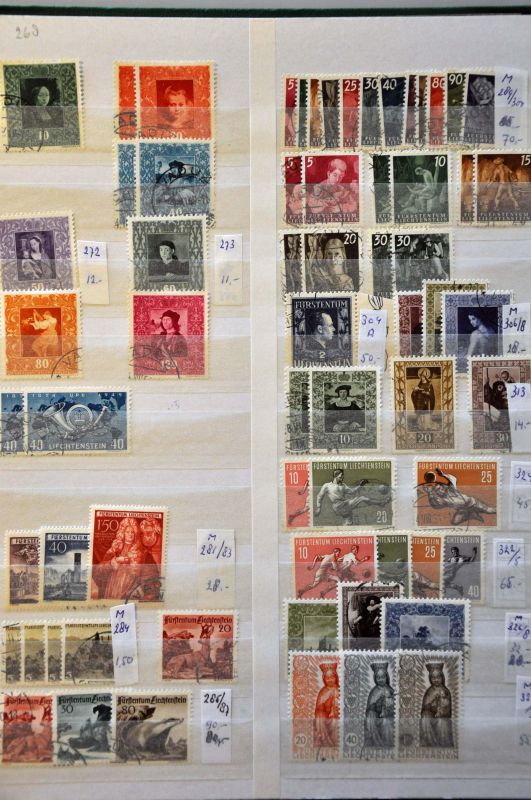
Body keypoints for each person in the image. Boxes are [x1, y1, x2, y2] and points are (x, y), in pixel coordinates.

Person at [419, 467, 496, 526]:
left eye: (440, 487)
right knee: (455, 522)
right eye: (437, 490)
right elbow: (435, 505)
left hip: (472, 503)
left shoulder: (451, 488)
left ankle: (473, 512)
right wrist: (430, 493)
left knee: (490, 510)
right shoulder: (443, 499)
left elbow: (453, 479)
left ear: (443, 486)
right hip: (462, 509)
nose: (439, 490)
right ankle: (471, 514)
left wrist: (443, 475)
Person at [315, 469, 385, 526]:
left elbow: (352, 491)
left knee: (348, 523)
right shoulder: (327, 485)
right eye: (341, 475)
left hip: (344, 505)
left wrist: (360, 485)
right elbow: (319, 496)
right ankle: (380, 503)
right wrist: (318, 508)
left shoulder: (343, 485)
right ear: (336, 475)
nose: (342, 477)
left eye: (343, 476)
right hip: (338, 506)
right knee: (362, 498)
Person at [419, 662, 454, 748]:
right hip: (431, 714)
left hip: (442, 715)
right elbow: (424, 707)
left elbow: (446, 707)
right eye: (433, 678)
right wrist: (429, 706)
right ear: (430, 679)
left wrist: (440, 711)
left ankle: (443, 744)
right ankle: (428, 742)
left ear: (442, 677)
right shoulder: (429, 691)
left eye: (438, 677)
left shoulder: (445, 690)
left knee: (441, 722)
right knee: (425, 718)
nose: (436, 680)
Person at [364, 661, 395, 749]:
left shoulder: (390, 690)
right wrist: (377, 704)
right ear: (375, 678)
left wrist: (388, 704)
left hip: (388, 716)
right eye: (378, 677)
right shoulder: (373, 691)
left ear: (386, 677)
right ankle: (376, 741)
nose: (381, 679)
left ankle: (388, 745)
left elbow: (394, 705)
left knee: (386, 722)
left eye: (383, 677)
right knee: (371, 717)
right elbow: (369, 709)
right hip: (376, 717)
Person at [313, 662, 340, 749]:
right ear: (324, 679)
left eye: (332, 677)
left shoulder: (337, 689)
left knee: (334, 720)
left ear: (336, 678)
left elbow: (339, 704)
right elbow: (318, 706)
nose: (330, 680)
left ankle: (334, 742)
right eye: (327, 678)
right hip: (325, 714)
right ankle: (323, 739)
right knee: (319, 715)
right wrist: (322, 708)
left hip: (335, 714)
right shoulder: (322, 691)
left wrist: (334, 709)